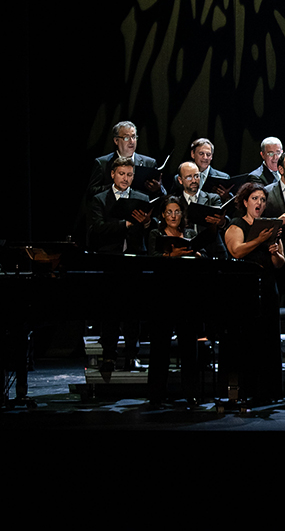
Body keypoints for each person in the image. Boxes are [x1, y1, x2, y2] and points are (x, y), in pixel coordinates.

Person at [88, 156, 153, 374]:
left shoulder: (142, 198)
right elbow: (98, 228)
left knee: (134, 312)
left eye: (129, 175)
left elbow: (150, 229)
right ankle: (109, 355)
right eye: (122, 174)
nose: (125, 178)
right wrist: (125, 223)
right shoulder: (100, 199)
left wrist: (146, 223)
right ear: (113, 174)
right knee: (110, 311)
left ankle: (132, 355)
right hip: (111, 261)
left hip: (134, 260)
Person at [224, 181, 285, 404]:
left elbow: (280, 263)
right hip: (245, 287)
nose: (259, 203)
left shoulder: (269, 226)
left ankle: (268, 391)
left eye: (262, 199)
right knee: (248, 339)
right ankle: (247, 389)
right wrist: (258, 240)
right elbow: (236, 251)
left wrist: (275, 252)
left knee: (268, 338)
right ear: (245, 202)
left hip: (267, 286)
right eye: (255, 199)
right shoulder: (236, 224)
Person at [145, 196, 201, 405]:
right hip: (163, 295)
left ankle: (190, 392)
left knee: (189, 346)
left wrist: (197, 255)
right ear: (163, 215)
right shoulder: (156, 234)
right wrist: (172, 256)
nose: (173, 216)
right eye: (169, 212)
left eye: (177, 211)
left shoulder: (190, 234)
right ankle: (156, 394)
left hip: (187, 294)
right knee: (160, 346)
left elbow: (202, 253)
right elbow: (152, 258)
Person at [86, 120, 160, 199]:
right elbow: (92, 192)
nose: (131, 141)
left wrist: (157, 189)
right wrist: (115, 186)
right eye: (126, 138)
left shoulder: (149, 163)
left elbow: (162, 194)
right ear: (116, 140)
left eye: (134, 137)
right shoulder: (103, 163)